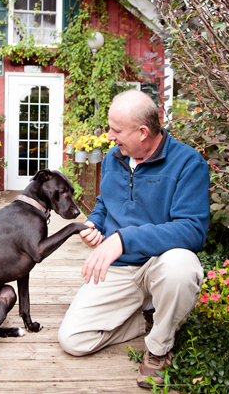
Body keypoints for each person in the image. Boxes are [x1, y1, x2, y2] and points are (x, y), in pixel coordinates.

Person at [58, 89, 210, 389]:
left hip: (159, 263)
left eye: (116, 129)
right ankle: (148, 316)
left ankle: (158, 349)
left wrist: (123, 239)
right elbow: (105, 202)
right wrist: (95, 223)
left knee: (183, 267)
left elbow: (192, 230)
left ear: (143, 132)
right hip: (119, 268)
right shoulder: (115, 157)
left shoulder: (188, 163)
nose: (109, 135)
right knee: (73, 340)